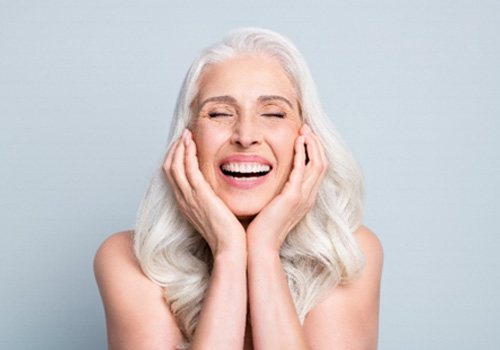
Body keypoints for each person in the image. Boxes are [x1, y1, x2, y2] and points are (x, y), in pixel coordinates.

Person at [94, 27, 383, 350]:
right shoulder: (127, 259)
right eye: (219, 113)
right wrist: (230, 252)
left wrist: (263, 248)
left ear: (306, 139)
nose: (246, 136)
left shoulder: (347, 252)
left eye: (273, 113)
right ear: (187, 137)